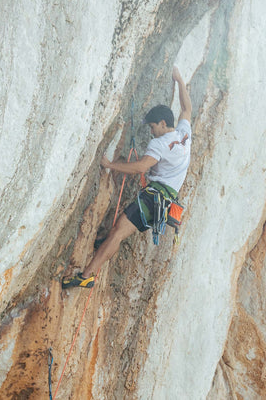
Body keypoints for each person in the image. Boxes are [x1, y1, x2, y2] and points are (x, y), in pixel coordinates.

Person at [62, 66, 192, 289]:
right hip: (165, 201)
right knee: (117, 233)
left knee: (117, 232)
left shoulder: (160, 144)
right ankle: (97, 258)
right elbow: (187, 108)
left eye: (153, 126)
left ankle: (86, 276)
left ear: (162, 123)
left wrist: (111, 165)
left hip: (154, 199)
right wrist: (179, 80)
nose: (151, 131)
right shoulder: (184, 135)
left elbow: (141, 167)